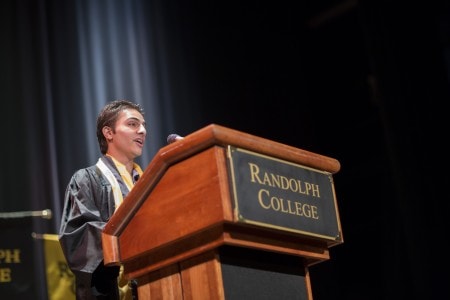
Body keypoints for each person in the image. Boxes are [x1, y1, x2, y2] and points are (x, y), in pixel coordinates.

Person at [59, 100, 147, 300]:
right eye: (133, 124)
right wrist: (134, 236)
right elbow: (78, 237)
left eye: (143, 125)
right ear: (108, 133)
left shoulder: (149, 181)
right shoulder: (86, 180)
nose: (142, 130)